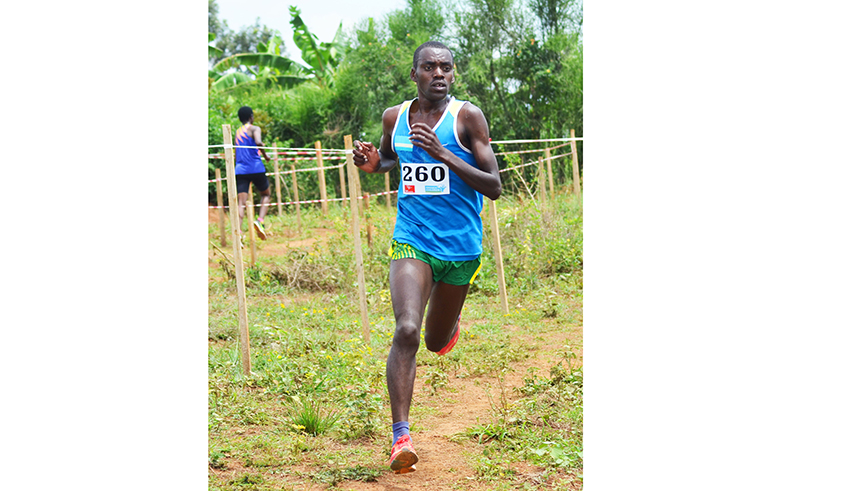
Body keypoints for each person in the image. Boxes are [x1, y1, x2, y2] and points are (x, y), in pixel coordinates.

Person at [352, 41, 502, 474]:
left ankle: (448, 326)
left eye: (446, 67)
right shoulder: (395, 117)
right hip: (412, 238)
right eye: (430, 67)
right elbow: (390, 158)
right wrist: (373, 163)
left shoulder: (467, 118)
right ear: (414, 73)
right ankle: (401, 438)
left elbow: (493, 185)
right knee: (407, 329)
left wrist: (444, 154)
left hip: (460, 247)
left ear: (453, 74)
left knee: (434, 341)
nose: (439, 74)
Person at [234, 106, 272, 241]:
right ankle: (260, 221)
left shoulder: (238, 132)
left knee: (241, 203)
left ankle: (238, 233)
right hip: (256, 168)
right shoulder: (255, 129)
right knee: (266, 194)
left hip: (240, 170)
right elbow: (258, 142)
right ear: (251, 117)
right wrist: (266, 155)